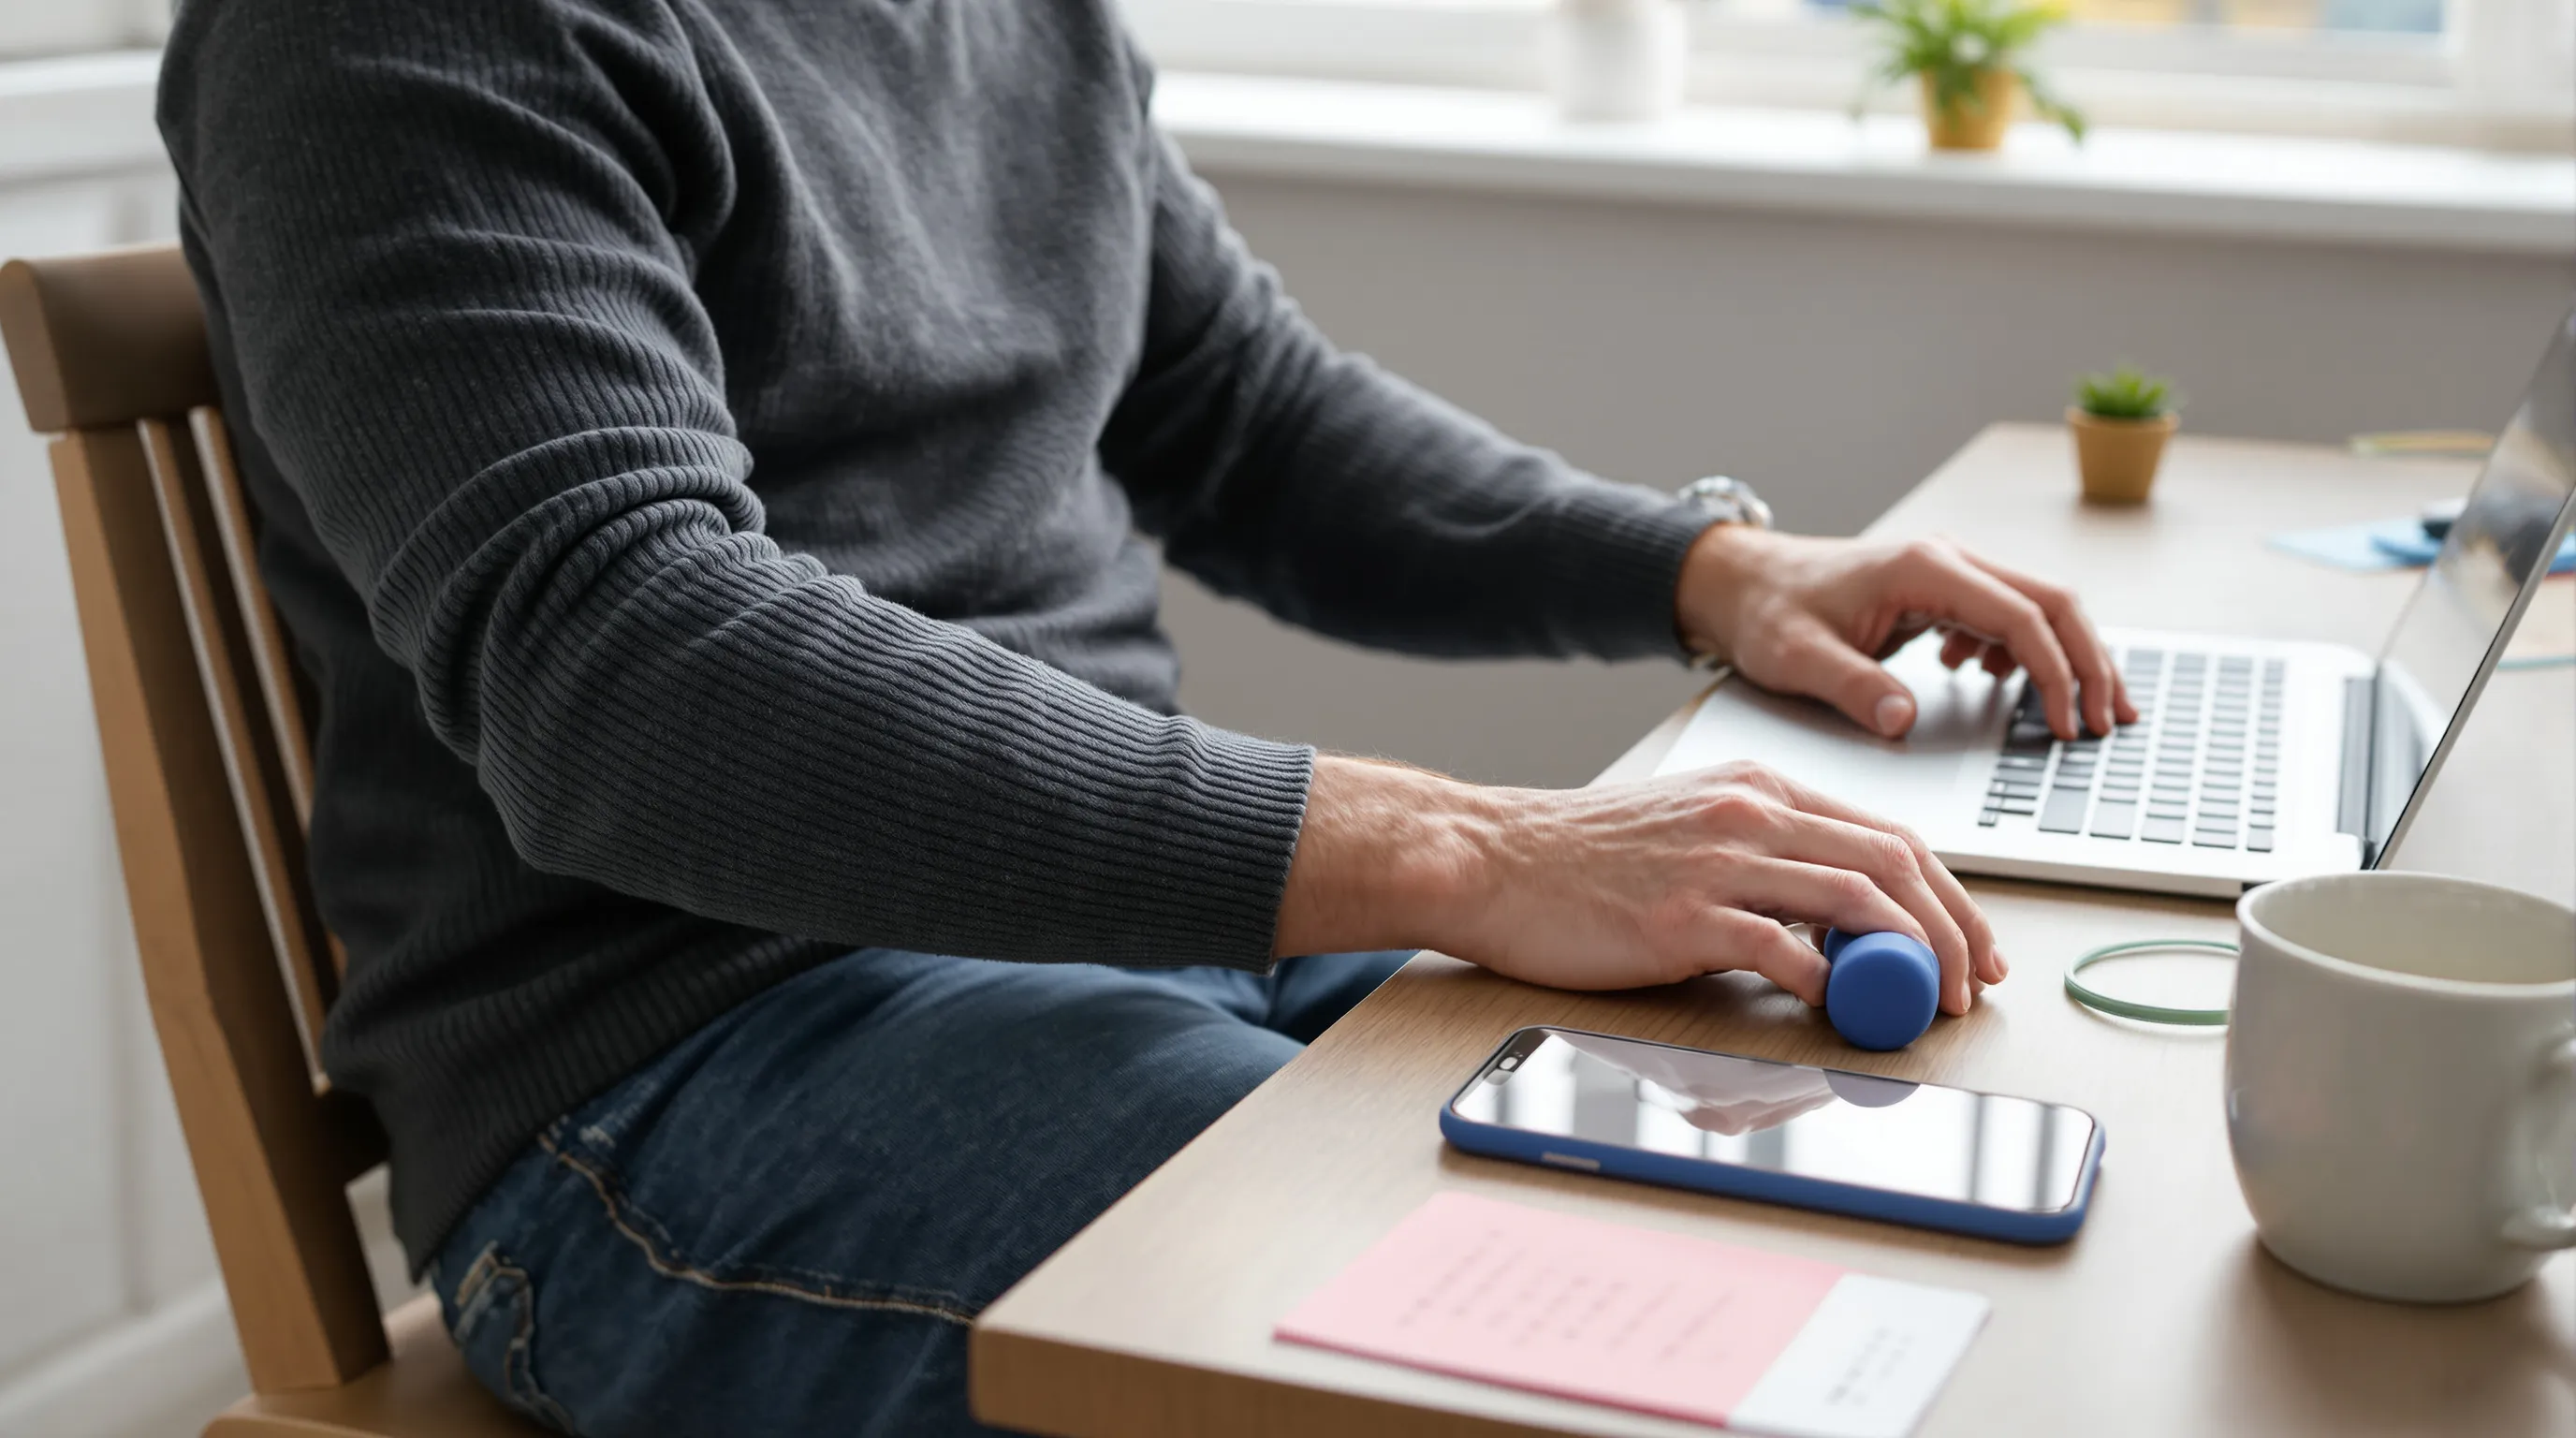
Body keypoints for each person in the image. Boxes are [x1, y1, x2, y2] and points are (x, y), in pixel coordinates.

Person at [156, 0, 2130, 1431]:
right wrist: (1463, 850)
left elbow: (1239, 416)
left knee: (1867, 1166)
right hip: (674, 1060)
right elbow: (615, 660)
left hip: (1137, 952)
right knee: (1546, 1352)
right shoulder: (386, 31)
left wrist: (1704, 572)